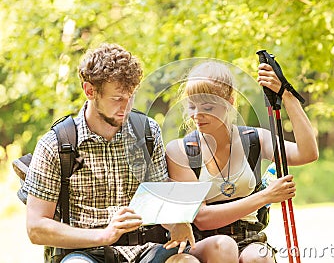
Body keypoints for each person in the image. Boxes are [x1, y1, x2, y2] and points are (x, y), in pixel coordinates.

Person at [23, 43, 201, 263]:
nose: (126, 107)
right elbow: (36, 228)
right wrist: (104, 234)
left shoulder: (147, 133)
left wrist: (177, 221)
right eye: (117, 99)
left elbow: (158, 201)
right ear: (90, 91)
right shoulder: (57, 145)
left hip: (145, 248)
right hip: (85, 253)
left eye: (131, 97)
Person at [166, 60, 319, 262]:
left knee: (259, 257)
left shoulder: (254, 139)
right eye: (192, 106)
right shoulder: (181, 151)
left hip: (249, 238)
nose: (196, 115)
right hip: (203, 243)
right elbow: (201, 219)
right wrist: (265, 196)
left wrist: (287, 95)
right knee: (224, 247)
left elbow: (307, 153)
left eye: (208, 107)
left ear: (229, 102)